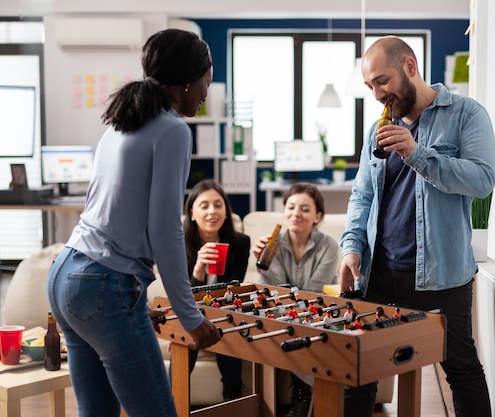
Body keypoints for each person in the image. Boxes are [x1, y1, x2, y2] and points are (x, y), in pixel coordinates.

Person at [46, 29, 221, 417]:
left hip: (66, 275)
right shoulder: (172, 130)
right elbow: (165, 230)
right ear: (187, 81)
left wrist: (134, 300)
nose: (206, 94)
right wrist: (190, 317)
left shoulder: (121, 122)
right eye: (206, 83)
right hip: (102, 284)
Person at [339, 36, 495, 417]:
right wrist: (351, 247)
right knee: (357, 374)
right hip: (379, 273)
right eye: (370, 86)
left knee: (462, 372)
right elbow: (363, 196)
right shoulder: (375, 130)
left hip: (442, 277)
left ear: (410, 66)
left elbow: (483, 180)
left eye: (382, 81)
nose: (377, 94)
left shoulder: (466, 114)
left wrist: (416, 153)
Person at [252, 182, 338, 417]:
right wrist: (266, 263)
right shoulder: (273, 242)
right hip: (284, 311)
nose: (296, 214)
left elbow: (312, 293)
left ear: (317, 216)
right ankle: (296, 395)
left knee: (303, 326)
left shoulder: (329, 245)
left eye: (305, 209)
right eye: (290, 207)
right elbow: (278, 290)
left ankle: (303, 394)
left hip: (317, 311)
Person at [183, 178, 251, 401]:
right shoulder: (178, 244)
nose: (212, 211)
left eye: (218, 205)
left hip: (223, 315)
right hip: (189, 314)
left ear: (226, 210)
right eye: (204, 206)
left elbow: (231, 291)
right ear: (192, 212)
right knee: (186, 343)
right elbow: (183, 298)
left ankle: (232, 404)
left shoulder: (241, 243)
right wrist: (198, 272)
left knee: (228, 338)